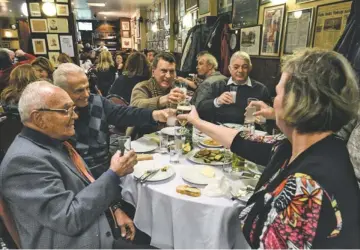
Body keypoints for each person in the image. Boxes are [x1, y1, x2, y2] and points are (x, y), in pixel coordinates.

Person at [178, 48, 360, 248]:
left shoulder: (306, 187)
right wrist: (197, 122)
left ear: (296, 103)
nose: (274, 100)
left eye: (278, 93)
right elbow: (242, 140)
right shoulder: (309, 145)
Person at [0, 81, 151, 249]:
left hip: (99, 228)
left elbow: (84, 186)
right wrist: (113, 174)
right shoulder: (24, 161)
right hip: (79, 242)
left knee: (148, 230)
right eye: (66, 110)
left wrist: (114, 208)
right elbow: (69, 219)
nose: (75, 116)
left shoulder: (54, 142)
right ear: (39, 118)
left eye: (73, 109)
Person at [53, 63, 169, 178]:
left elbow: (124, 113)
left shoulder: (97, 101)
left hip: (105, 170)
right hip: (75, 176)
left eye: (87, 87)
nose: (86, 94)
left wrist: (154, 114)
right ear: (60, 91)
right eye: (79, 91)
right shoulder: (52, 116)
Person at [197, 51, 271, 124]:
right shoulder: (218, 85)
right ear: (229, 68)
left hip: (249, 132)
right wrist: (217, 101)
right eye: (236, 67)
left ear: (250, 68)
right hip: (221, 131)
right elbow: (200, 109)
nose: (240, 70)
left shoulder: (261, 89)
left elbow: (272, 118)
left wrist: (263, 119)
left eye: (245, 67)